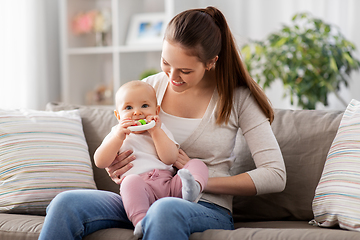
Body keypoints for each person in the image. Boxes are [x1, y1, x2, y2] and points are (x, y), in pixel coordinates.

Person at [38, 6, 286, 240]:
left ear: (211, 62)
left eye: (185, 71)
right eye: (166, 63)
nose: (172, 77)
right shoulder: (150, 87)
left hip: (204, 205)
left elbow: (275, 175)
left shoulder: (237, 98)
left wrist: (201, 181)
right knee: (66, 204)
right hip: (141, 199)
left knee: (165, 209)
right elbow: (118, 145)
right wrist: (116, 166)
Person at [93, 80, 208, 237]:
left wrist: (156, 132)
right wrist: (118, 137)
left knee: (196, 164)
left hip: (168, 185)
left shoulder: (160, 130)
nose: (137, 113)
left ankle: (191, 189)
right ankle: (141, 220)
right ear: (118, 115)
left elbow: (170, 158)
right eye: (128, 108)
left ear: (157, 110)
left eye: (145, 106)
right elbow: (100, 161)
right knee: (129, 182)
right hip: (141, 189)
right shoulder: (117, 134)